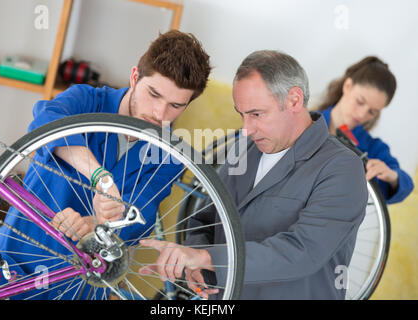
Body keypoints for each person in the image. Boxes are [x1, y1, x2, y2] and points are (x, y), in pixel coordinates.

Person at [0, 30, 211, 299]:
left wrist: (94, 224)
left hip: (80, 284)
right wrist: (100, 176)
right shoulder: (86, 101)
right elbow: (44, 123)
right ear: (135, 77)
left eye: (175, 105)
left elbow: (143, 214)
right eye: (153, 94)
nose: (160, 114)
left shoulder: (171, 154)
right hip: (17, 260)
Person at [138, 50, 368, 300]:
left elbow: (303, 252)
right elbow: (205, 218)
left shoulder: (342, 168)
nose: (246, 129)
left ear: (293, 100)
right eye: (242, 115)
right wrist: (198, 263)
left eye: (256, 114)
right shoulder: (245, 149)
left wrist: (208, 258)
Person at [315, 56, 414, 204]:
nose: (362, 114)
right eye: (360, 102)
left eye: (372, 112)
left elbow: (405, 183)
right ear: (347, 86)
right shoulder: (305, 122)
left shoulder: (373, 148)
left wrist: (392, 177)